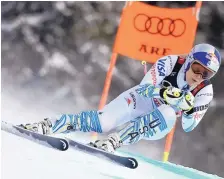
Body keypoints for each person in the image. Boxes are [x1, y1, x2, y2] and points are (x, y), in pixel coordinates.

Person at [20, 43, 221, 153]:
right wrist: (165, 93)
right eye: (197, 68)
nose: (199, 76)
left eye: (206, 74)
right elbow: (144, 88)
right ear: (188, 61)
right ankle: (48, 125)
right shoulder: (170, 62)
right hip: (140, 101)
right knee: (101, 122)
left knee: (168, 111)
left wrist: (188, 109)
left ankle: (114, 141)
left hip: (158, 122)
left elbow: (188, 126)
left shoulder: (204, 91)